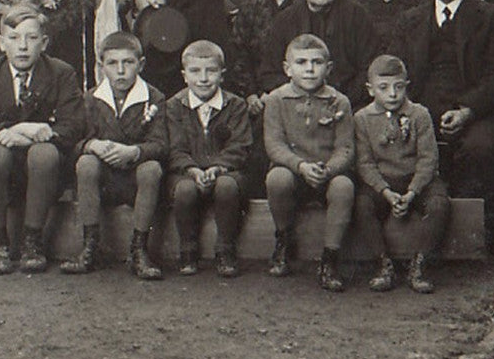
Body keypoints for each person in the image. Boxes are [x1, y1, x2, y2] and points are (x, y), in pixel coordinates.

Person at [392, 0, 494, 245]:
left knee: (480, 147)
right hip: (419, 111)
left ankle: (466, 234)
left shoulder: (491, 16)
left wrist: (467, 111)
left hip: (473, 112)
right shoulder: (411, 19)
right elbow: (397, 71)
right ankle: (413, 233)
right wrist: (407, 112)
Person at [0, 5, 86, 275]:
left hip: (47, 168)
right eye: (14, 38)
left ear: (44, 42)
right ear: (1, 43)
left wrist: (35, 131)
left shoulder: (61, 73)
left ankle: (33, 239)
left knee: (43, 153)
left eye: (31, 38)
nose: (22, 46)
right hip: (2, 169)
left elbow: (73, 126)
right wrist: (21, 131)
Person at [59, 32, 168, 280]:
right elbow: (72, 141)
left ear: (140, 65)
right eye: (112, 63)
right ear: (101, 66)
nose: (121, 71)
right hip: (104, 183)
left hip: (135, 182)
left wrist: (135, 151)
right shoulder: (90, 99)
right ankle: (90, 246)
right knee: (86, 162)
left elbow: (161, 144)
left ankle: (139, 249)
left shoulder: (154, 97)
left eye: (128, 63)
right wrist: (92, 145)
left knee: (151, 168)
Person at [262, 33, 356, 292]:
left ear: (328, 68)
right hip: (294, 172)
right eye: (301, 62)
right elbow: (274, 145)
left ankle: (329, 259)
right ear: (287, 68)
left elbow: (345, 148)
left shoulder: (339, 101)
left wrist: (328, 169)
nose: (310, 69)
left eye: (316, 63)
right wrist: (301, 166)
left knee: (344, 186)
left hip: (326, 173)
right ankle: (283, 240)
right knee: (276, 178)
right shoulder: (276, 100)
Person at [354, 55, 447, 294]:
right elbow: (365, 163)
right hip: (382, 182)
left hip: (416, 180)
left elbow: (428, 159)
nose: (392, 94)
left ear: (407, 85)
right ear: (370, 90)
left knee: (439, 204)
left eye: (398, 87)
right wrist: (385, 192)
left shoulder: (419, 115)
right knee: (361, 204)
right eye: (383, 88)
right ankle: (383, 264)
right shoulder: (362, 119)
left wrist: (411, 193)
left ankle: (420, 265)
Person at [163, 40, 250, 278]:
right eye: (195, 71)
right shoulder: (174, 106)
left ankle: (225, 250)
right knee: (184, 191)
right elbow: (174, 148)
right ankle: (188, 251)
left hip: (225, 171)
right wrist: (192, 169)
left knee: (227, 186)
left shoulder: (235, 105)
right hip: (186, 173)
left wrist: (218, 167)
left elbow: (240, 146)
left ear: (221, 75)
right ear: (184, 75)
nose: (203, 79)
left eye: (210, 71)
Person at [258, 0, 377, 107]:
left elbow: (369, 68)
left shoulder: (357, 16)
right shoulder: (285, 20)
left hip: (348, 104)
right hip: (297, 107)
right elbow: (270, 73)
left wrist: (341, 100)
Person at [228, 0, 302, 107]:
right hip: (261, 98)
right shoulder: (250, 8)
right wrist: (251, 94)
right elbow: (240, 54)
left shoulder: (307, 5)